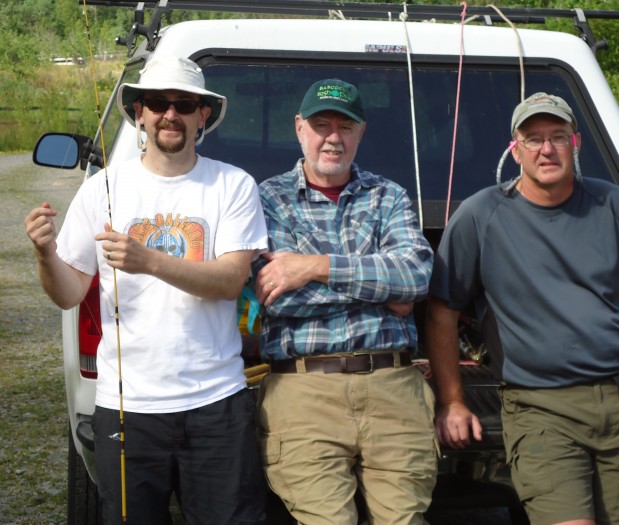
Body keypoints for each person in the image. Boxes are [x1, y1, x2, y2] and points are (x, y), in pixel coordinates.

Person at [426, 92, 619, 525]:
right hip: (540, 408)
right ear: (515, 149)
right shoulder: (481, 216)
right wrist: (453, 401)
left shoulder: (617, 206)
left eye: (557, 136)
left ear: (576, 143)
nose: (546, 149)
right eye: (533, 139)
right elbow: (442, 310)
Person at [24, 55, 269, 525]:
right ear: (139, 112)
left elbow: (229, 280)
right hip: (125, 409)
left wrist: (149, 260)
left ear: (204, 115)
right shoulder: (102, 188)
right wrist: (43, 254)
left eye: (184, 104)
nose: (170, 113)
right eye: (157, 102)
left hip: (216, 403)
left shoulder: (232, 185)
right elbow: (69, 292)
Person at [254, 78, 437, 525]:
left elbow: (414, 276)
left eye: (345, 126)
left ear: (361, 133)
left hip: (394, 388)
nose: (333, 137)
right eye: (321, 125)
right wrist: (384, 290)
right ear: (299, 128)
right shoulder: (266, 199)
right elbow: (276, 298)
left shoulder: (388, 195)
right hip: (302, 393)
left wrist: (312, 266)